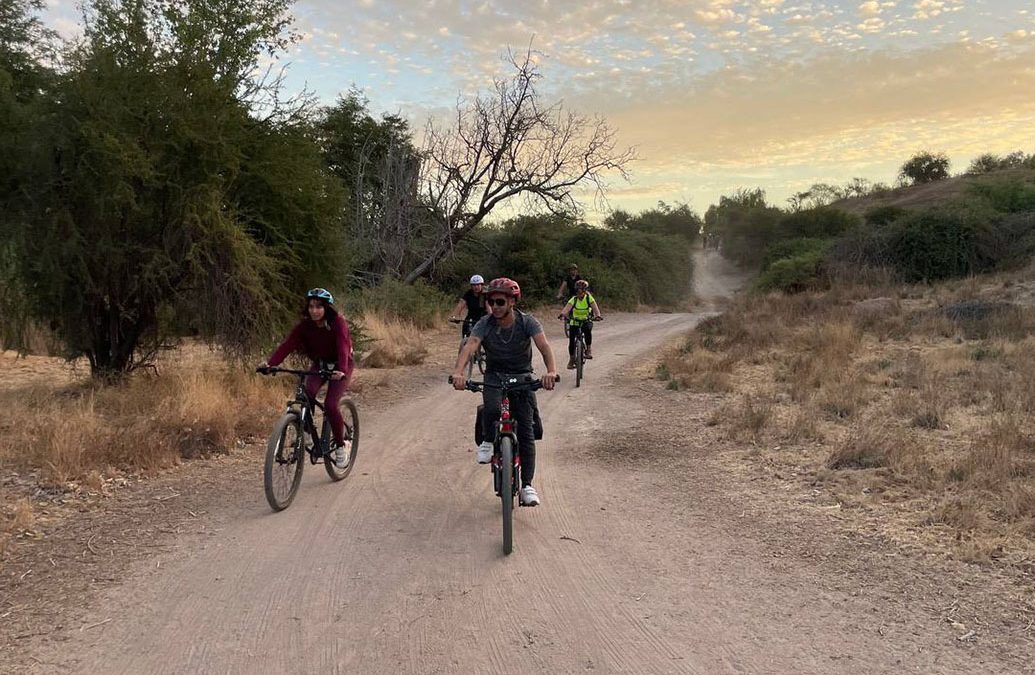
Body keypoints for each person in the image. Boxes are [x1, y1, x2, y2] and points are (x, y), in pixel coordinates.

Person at [452, 277, 559, 507]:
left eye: (500, 301)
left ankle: (528, 485)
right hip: (494, 376)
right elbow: (470, 345)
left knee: (527, 431)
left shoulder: (527, 322)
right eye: (491, 301)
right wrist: (458, 373)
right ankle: (488, 442)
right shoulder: (485, 323)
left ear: (512, 301)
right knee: (491, 408)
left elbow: (544, 346)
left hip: (522, 376)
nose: (495, 306)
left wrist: (551, 372)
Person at [260, 288, 355, 468]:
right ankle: (307, 433)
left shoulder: (338, 323)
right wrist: (271, 364)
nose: (314, 310)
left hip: (342, 365)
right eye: (311, 306)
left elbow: (343, 346)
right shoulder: (305, 326)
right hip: (321, 363)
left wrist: (341, 370)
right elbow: (288, 345)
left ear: (326, 308)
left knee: (330, 404)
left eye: (319, 307)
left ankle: (342, 444)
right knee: (307, 393)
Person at [559, 279, 602, 369]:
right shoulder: (573, 299)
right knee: (571, 341)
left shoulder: (589, 298)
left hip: (586, 320)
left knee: (587, 330)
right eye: (578, 291)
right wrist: (563, 314)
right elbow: (567, 308)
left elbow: (595, 308)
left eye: (581, 291)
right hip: (575, 321)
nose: (579, 293)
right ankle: (571, 359)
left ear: (585, 291)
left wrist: (597, 315)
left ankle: (588, 350)